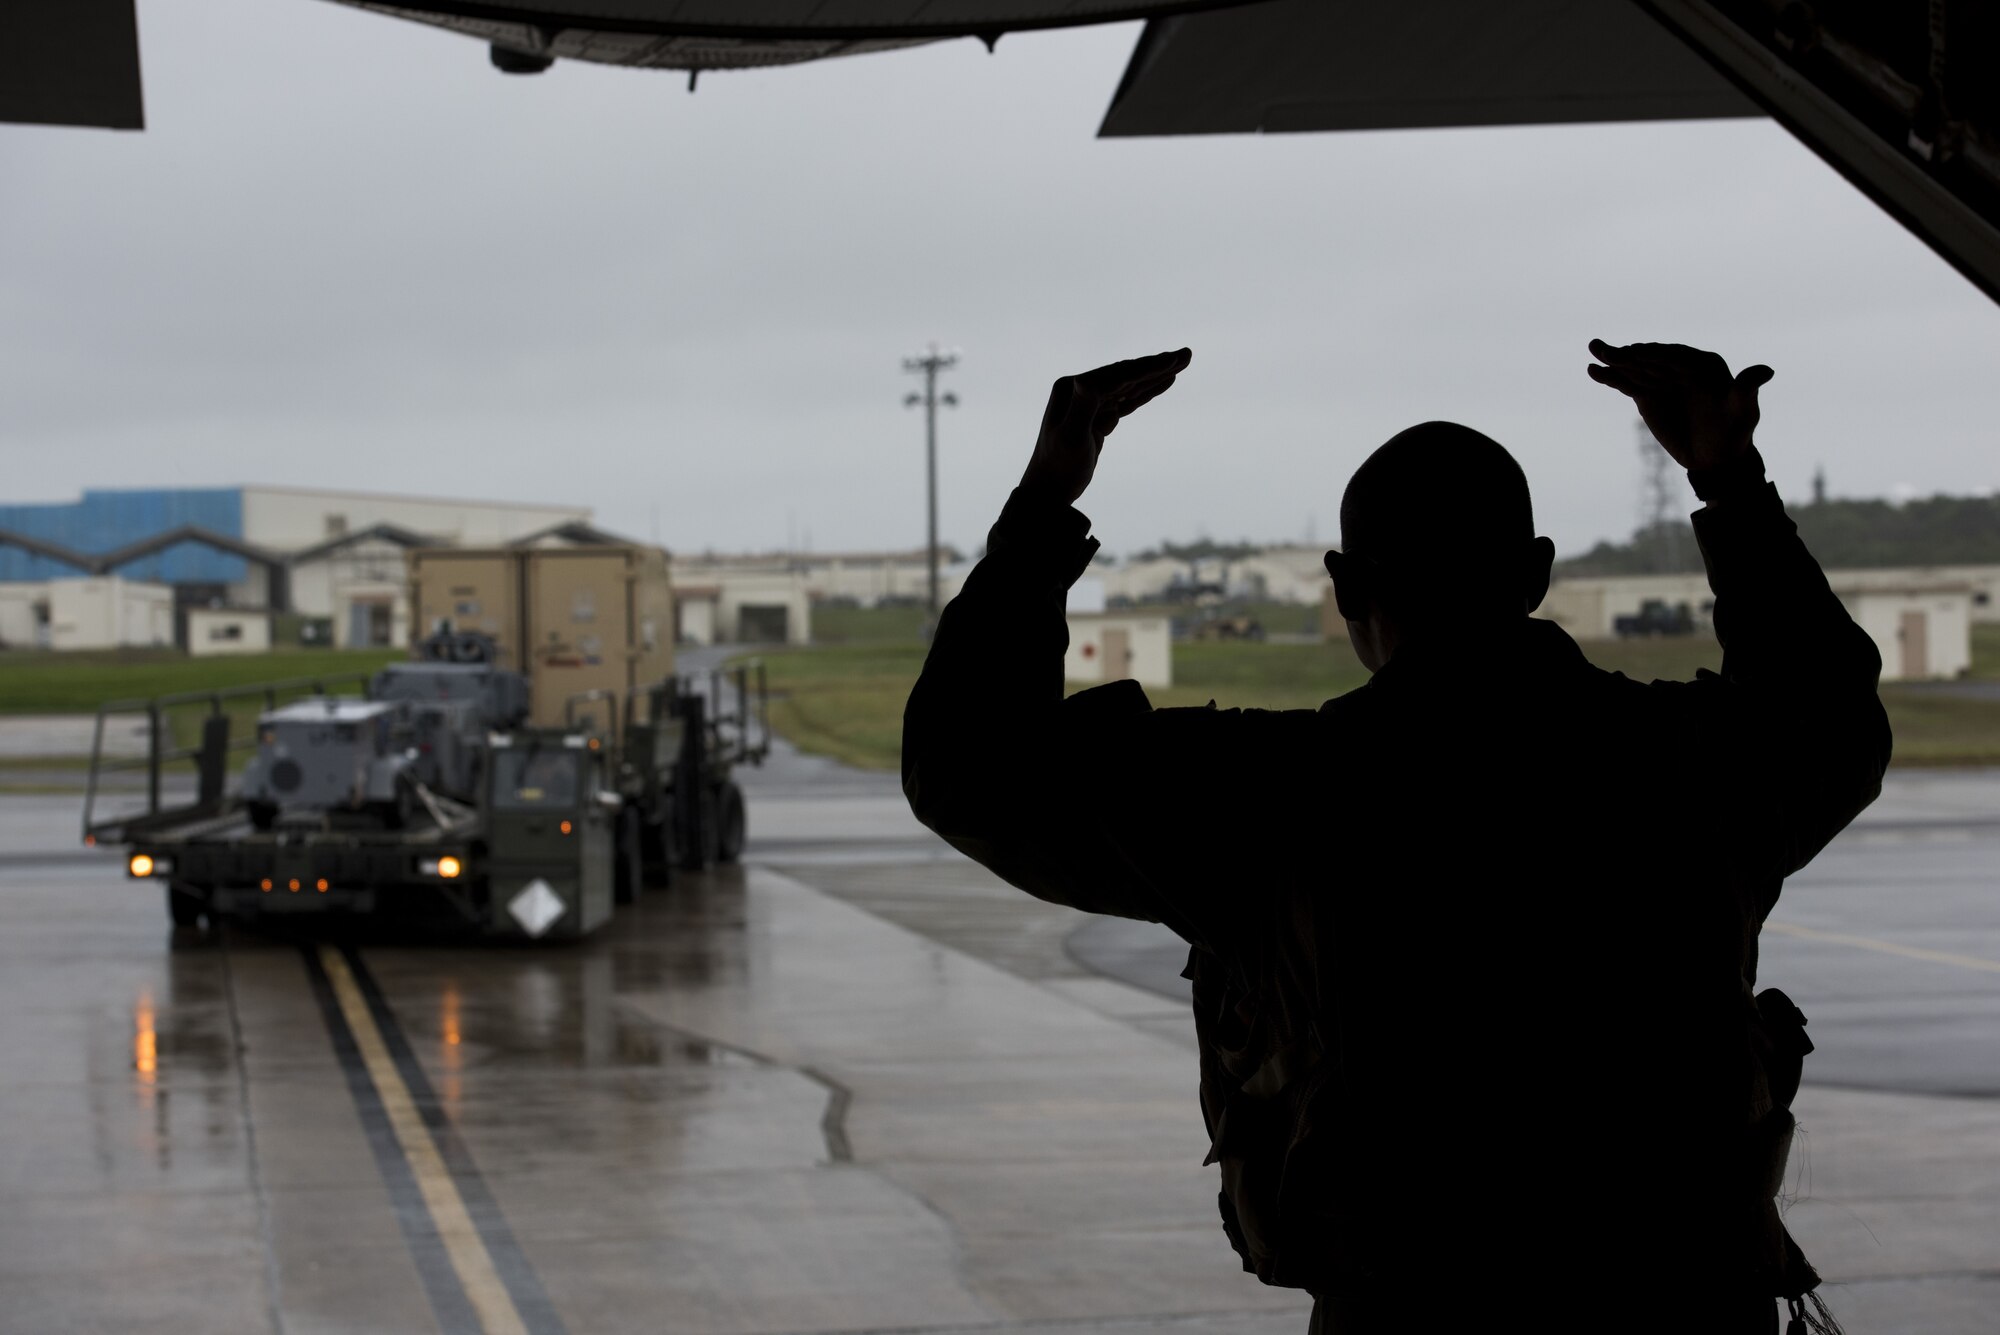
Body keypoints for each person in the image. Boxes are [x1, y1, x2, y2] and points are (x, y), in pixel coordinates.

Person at [902, 342, 1891, 1333]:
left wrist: (1044, 503)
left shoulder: (1269, 795)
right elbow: (1830, 715)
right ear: (1536, 576)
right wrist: (1727, 479)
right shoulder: (1691, 766)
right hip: (1683, 1303)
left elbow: (965, 768)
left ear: (1344, 587)